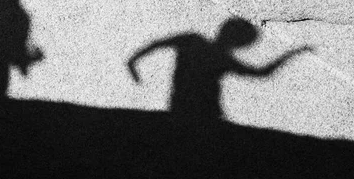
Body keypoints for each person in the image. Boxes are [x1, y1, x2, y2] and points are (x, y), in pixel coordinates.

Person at [127, 18, 311, 122]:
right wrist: (293, 53)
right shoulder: (223, 60)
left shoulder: (191, 40)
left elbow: (157, 44)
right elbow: (262, 73)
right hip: (207, 111)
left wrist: (134, 61)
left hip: (181, 104)